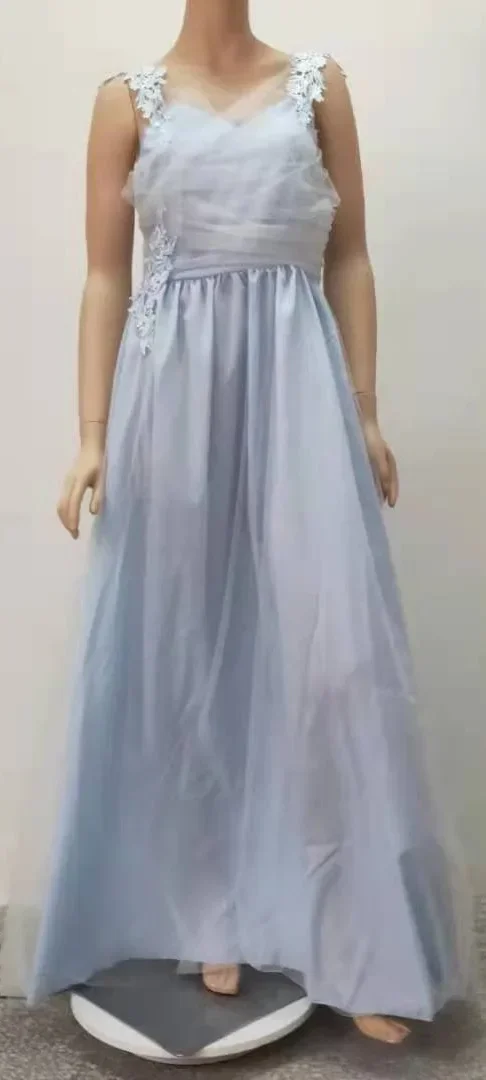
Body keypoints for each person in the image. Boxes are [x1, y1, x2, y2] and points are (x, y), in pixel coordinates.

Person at [1, 0, 469, 1047]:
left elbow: (350, 256)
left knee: (333, 661)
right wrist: (90, 435)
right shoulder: (127, 102)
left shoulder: (318, 87)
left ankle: (366, 940)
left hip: (299, 392)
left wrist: (365, 410)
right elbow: (105, 275)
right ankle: (210, 912)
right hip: (170, 399)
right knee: (184, 656)